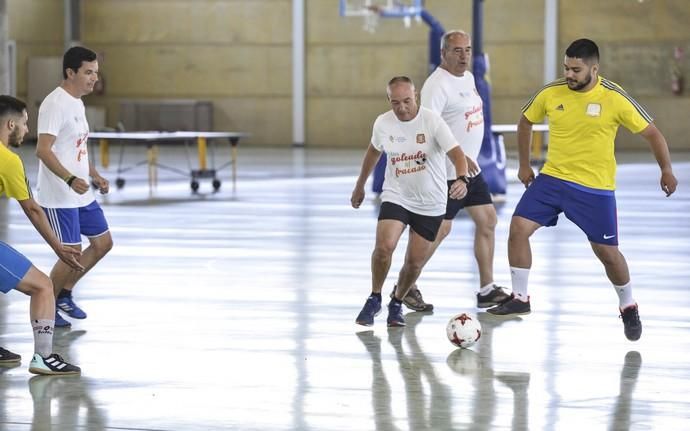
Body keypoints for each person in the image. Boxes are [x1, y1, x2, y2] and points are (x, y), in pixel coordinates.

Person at [487, 39, 678, 342]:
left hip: (595, 188)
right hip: (552, 179)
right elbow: (525, 122)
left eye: (576, 69)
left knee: (608, 254)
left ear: (594, 68)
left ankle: (628, 305)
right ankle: (520, 298)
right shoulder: (551, 92)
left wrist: (666, 169)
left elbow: (653, 133)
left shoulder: (614, 97)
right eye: (566, 68)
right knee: (518, 228)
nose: (569, 74)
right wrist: (524, 166)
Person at [392, 29, 511, 312]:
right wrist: (454, 155)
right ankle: (405, 286)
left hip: (469, 168)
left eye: (467, 50)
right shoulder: (437, 86)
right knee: (439, 230)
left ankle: (486, 289)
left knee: (487, 220)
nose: (464, 55)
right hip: (445, 172)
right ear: (443, 53)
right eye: (457, 50)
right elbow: (424, 129)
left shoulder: (468, 78)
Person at [352, 76, 469, 327]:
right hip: (397, 194)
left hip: (431, 202)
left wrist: (462, 179)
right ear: (388, 101)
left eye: (407, 101)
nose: (402, 108)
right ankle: (374, 297)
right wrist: (360, 184)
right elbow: (373, 151)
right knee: (384, 247)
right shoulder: (383, 123)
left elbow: (458, 155)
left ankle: (397, 302)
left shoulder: (432, 121)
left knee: (413, 263)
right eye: (396, 103)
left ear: (415, 96)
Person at [0, 95, 83, 374]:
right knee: (43, 286)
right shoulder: (8, 160)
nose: (27, 130)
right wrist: (59, 248)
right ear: (10, 124)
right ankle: (43, 357)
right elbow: (33, 210)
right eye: (24, 123)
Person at [35, 46, 113, 328]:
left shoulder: (78, 102)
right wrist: (69, 179)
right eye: (88, 72)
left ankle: (65, 292)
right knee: (70, 254)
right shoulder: (54, 104)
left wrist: (94, 174)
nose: (94, 78)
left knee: (103, 243)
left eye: (96, 72)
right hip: (60, 195)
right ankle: (49, 303)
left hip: (82, 192)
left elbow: (77, 146)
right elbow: (43, 151)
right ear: (71, 72)